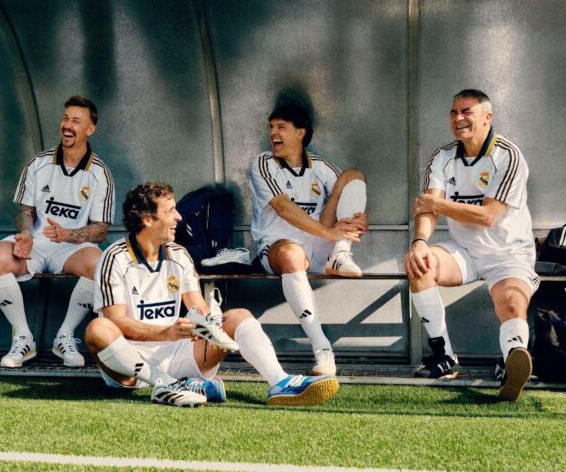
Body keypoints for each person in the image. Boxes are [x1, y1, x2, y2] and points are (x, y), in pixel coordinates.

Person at [86, 182, 339, 408]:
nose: (178, 217)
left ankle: (280, 382)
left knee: (238, 316)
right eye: (170, 211)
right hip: (130, 365)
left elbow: (195, 304)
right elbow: (116, 321)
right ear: (147, 219)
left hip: (175, 351)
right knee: (97, 328)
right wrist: (164, 333)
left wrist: (208, 323)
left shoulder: (179, 254)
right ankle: (167, 385)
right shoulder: (115, 258)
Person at [404, 89, 539, 401]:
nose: (458, 118)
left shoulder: (508, 155)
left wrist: (439, 204)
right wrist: (420, 242)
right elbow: (427, 209)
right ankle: (445, 357)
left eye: (466, 111)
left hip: (508, 253)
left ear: (487, 117)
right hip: (463, 251)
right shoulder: (442, 157)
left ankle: (513, 361)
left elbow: (488, 215)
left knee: (511, 303)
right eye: (453, 113)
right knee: (417, 264)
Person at [0, 96, 114, 368]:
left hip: (70, 247)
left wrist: (68, 235)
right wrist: (26, 234)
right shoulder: (39, 163)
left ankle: (65, 336)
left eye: (76, 121)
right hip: (37, 243)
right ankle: (23, 338)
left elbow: (101, 230)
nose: (67, 125)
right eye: (65, 118)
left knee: (100, 265)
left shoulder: (100, 174)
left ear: (90, 129)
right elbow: (25, 211)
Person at [248, 103, 369, 377]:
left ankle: (340, 254)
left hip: (318, 243)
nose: (273, 134)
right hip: (278, 247)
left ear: (300, 133)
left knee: (353, 177)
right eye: (271, 127)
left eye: (281, 127)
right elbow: (282, 207)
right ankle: (322, 349)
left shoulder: (320, 166)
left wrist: (360, 220)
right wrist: (329, 232)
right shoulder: (263, 163)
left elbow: (350, 195)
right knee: (292, 254)